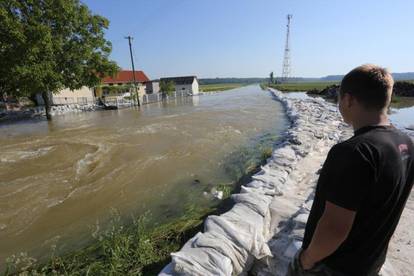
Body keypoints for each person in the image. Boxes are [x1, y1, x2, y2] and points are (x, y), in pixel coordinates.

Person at [287, 64, 414, 276]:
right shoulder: (406, 144)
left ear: (348, 100)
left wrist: (306, 259)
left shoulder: (354, 152)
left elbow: (335, 229)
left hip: (334, 267)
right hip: (370, 263)